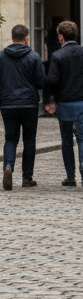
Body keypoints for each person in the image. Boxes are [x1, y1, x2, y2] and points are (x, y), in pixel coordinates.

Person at [0, 24, 46, 189]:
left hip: (8, 104)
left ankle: (8, 165)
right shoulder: (34, 57)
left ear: (12, 36)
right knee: (29, 140)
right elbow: (42, 82)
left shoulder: (0, 57)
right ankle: (27, 177)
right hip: (29, 104)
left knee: (10, 139)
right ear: (27, 38)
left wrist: (3, 101)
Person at [44, 19, 83, 186]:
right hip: (81, 102)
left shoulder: (57, 55)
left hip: (65, 103)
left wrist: (48, 101)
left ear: (60, 37)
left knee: (67, 140)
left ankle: (71, 176)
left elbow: (52, 80)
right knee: (81, 139)